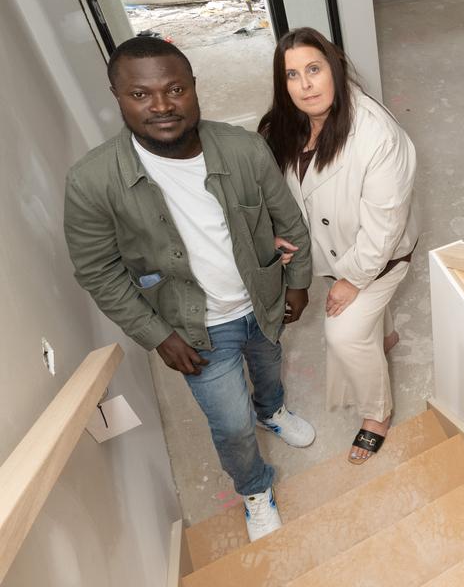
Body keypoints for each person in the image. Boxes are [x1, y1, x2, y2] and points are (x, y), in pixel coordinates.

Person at [64, 36, 315, 542]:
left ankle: (274, 411)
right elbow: (98, 270)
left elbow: (289, 218)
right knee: (231, 427)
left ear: (194, 88)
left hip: (261, 302)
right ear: (117, 96)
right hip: (196, 331)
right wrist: (157, 335)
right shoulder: (91, 182)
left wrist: (298, 281)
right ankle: (255, 488)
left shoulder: (244, 148)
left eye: (175, 88)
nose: (161, 105)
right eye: (140, 94)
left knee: (268, 369)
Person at [259, 27, 417, 465]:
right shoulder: (282, 126)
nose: (305, 85)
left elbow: (383, 231)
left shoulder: (377, 137)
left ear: (336, 69)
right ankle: (383, 338)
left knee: (343, 334)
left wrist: (350, 281)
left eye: (314, 69)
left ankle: (377, 414)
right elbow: (281, 191)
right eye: (292, 75)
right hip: (331, 246)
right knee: (364, 330)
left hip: (379, 258)